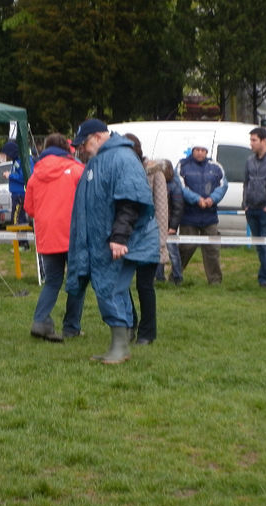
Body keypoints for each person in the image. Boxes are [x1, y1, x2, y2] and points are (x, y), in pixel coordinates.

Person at [66, 119, 160, 364]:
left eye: (84, 143)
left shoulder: (121, 159)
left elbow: (130, 202)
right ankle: (120, 345)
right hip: (107, 240)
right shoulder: (100, 160)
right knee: (110, 289)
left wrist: (119, 238)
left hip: (125, 240)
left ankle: (120, 347)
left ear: (97, 137)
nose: (82, 150)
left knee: (112, 289)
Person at [24, 133, 85, 342]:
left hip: (47, 235)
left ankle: (40, 320)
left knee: (52, 281)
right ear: (67, 149)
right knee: (76, 280)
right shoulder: (78, 170)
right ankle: (71, 327)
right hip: (73, 233)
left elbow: (29, 209)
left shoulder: (34, 174)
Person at [126, 133, 168, 346]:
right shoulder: (120, 170)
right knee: (122, 285)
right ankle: (129, 324)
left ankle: (147, 332)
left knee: (145, 286)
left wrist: (160, 243)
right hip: (124, 236)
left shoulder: (155, 172)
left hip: (148, 236)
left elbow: (161, 208)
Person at [177, 144, 228, 284]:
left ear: (206, 151)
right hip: (189, 215)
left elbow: (223, 185)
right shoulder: (182, 165)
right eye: (197, 150)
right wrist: (197, 199)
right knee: (186, 248)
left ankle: (215, 281)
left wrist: (212, 199)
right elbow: (181, 186)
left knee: (212, 249)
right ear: (192, 150)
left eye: (203, 150)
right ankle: (176, 276)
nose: (200, 153)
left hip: (210, 216)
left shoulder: (216, 167)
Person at [243, 127, 266, 287]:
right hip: (251, 209)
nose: (251, 143)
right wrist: (245, 204)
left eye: (254, 140)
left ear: (264, 141)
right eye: (251, 140)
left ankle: (265, 278)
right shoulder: (249, 161)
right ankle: (265, 276)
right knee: (260, 247)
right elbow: (246, 183)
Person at [155, 159, 184, 284]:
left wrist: (173, 226)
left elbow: (178, 208)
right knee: (159, 251)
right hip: (157, 224)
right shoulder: (155, 184)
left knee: (173, 253)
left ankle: (177, 277)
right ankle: (159, 278)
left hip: (169, 225)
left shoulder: (175, 187)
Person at [2, 140, 31, 250]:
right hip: (16, 194)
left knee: (17, 219)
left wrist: (10, 175)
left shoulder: (22, 161)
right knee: (19, 219)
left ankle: (22, 244)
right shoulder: (16, 161)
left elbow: (24, 177)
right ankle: (22, 243)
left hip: (20, 194)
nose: (8, 156)